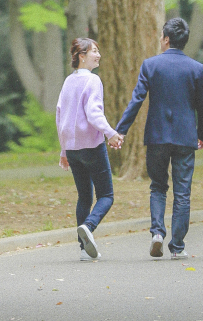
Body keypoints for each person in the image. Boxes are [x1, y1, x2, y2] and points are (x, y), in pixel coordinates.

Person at [115, 17, 203, 261]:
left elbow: (137, 100)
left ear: (166, 39)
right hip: (185, 138)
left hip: (157, 136)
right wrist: (202, 134)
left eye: (161, 36)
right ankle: (177, 246)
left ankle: (157, 233)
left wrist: (121, 130)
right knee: (182, 192)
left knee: (158, 186)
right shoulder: (196, 69)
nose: (160, 40)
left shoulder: (150, 65)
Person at [56, 37, 124, 262]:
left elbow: (60, 116)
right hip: (91, 147)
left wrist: (64, 151)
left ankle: (84, 250)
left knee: (84, 197)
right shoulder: (93, 81)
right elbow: (94, 114)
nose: (99, 55)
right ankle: (88, 226)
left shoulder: (68, 81)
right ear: (82, 56)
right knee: (106, 195)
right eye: (94, 51)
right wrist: (111, 133)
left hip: (73, 150)